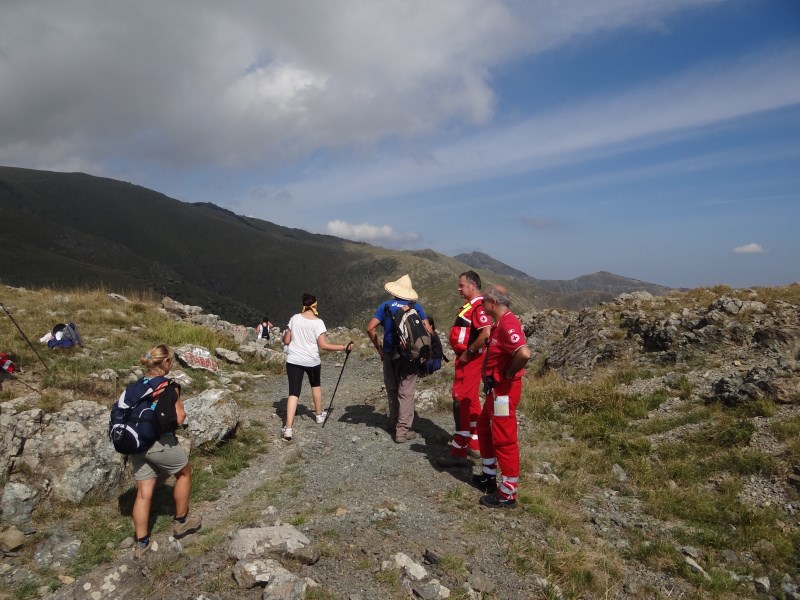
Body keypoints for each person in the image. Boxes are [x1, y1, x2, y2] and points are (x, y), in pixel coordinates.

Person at [130, 344, 201, 559]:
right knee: (184, 472)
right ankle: (181, 522)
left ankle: (141, 544)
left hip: (136, 443)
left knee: (143, 491)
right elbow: (179, 418)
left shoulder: (136, 385)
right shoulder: (170, 386)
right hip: (158, 442)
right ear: (167, 362)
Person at [472, 286, 531, 509]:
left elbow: (524, 353)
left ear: (493, 303)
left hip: (503, 393)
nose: (481, 305)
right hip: (495, 392)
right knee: (484, 428)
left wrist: (507, 374)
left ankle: (508, 492)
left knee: (504, 438)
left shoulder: (508, 324)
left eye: (484, 301)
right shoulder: (499, 324)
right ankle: (488, 475)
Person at [366, 274, 430, 443]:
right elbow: (428, 331)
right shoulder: (417, 307)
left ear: (395, 291)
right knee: (406, 392)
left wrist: (379, 349)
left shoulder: (385, 306)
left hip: (389, 353)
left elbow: (370, 328)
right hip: (411, 356)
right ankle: (402, 431)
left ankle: (392, 421)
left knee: (392, 388)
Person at [281, 293, 353, 441]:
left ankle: (288, 428)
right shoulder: (318, 322)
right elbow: (324, 346)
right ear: (315, 305)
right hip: (312, 360)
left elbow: (287, 340)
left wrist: (286, 335)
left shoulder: (294, 319)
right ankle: (319, 416)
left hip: (294, 360)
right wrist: (344, 346)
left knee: (293, 393)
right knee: (315, 385)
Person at [448, 271, 491, 459]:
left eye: (462, 285)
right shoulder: (470, 306)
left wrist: (468, 353)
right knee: (471, 400)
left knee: (461, 398)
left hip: (471, 359)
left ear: (472, 285)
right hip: (465, 358)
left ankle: (459, 450)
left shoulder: (479, 306)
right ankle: (475, 443)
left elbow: (486, 334)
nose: (459, 289)